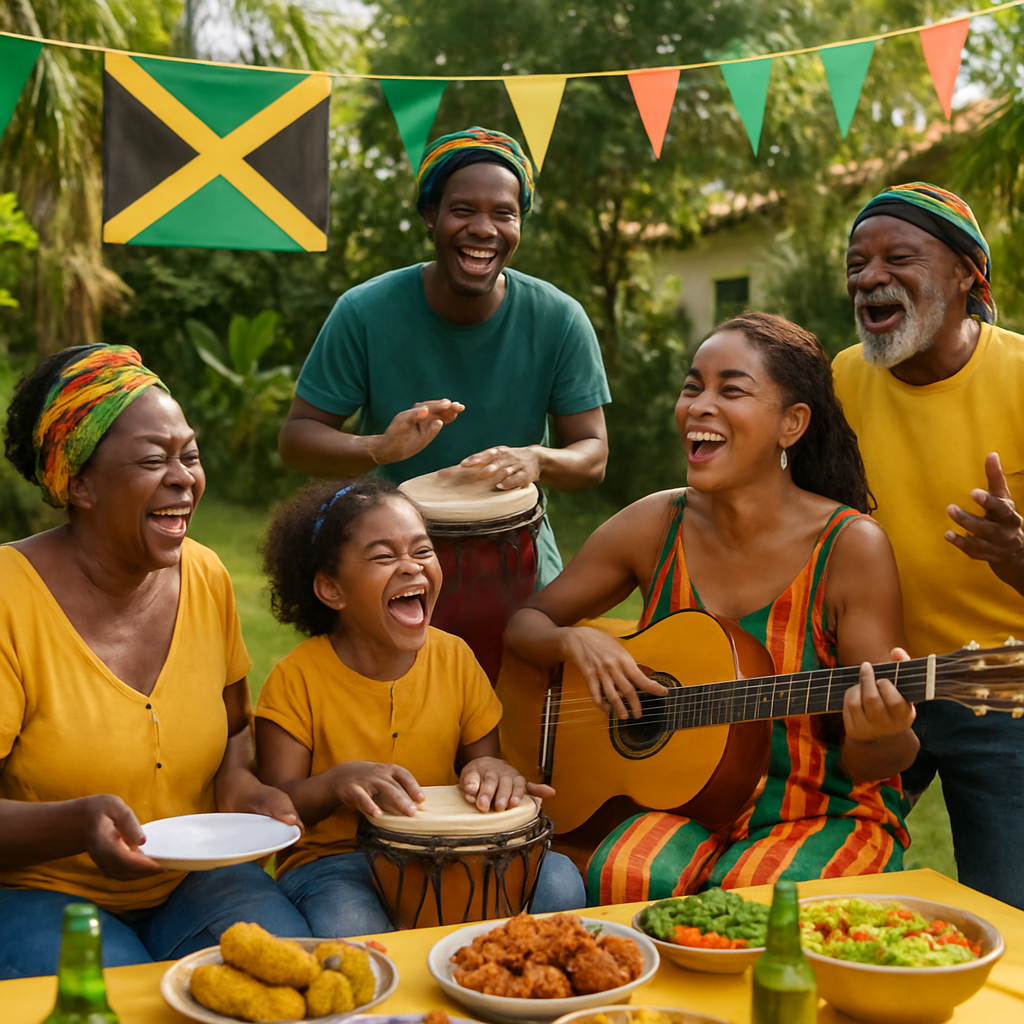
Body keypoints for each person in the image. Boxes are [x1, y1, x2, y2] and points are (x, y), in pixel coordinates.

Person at [505, 312, 918, 904]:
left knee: (753, 898)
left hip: (818, 806)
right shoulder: (655, 524)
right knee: (625, 876)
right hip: (680, 802)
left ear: (792, 423)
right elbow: (527, 623)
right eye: (693, 385)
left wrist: (884, 729)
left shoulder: (850, 547)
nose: (699, 404)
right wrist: (574, 642)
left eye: (731, 389)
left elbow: (882, 759)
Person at [0, 345, 309, 980]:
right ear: (79, 484)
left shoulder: (206, 575)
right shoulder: (9, 598)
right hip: (39, 893)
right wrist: (74, 824)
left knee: (291, 983)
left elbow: (232, 731)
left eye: (189, 455)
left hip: (193, 881)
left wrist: (241, 787)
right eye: (152, 460)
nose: (184, 478)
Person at [277, 126, 611, 590]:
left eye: (504, 213)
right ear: (431, 216)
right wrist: (379, 448)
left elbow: (593, 457)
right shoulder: (364, 311)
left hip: (519, 560)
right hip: (395, 564)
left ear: (519, 225)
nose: (483, 228)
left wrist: (538, 459)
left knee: (533, 657)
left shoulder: (559, 318)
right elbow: (297, 439)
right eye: (462, 210)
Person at [253, 477, 586, 935]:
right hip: (336, 862)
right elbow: (275, 809)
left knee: (561, 883)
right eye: (384, 556)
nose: (411, 567)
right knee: (352, 921)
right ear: (332, 589)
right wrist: (335, 784)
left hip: (449, 850)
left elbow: (486, 760)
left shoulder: (455, 657)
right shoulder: (298, 678)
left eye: (422, 550)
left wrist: (496, 775)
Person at [834, 182, 1024, 909]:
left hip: (1007, 695)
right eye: (857, 262)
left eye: (897, 257)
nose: (869, 276)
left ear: (967, 275)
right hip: (873, 687)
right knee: (823, 891)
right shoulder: (838, 383)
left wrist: (1018, 558)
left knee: (1009, 918)